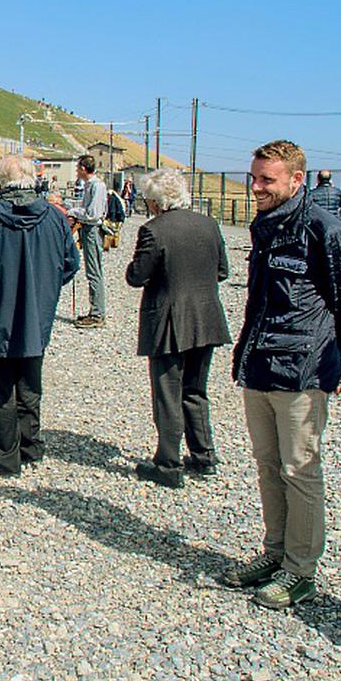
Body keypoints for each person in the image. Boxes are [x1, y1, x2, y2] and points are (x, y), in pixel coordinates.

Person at [222, 140, 341, 609]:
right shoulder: (266, 225)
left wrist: (340, 358)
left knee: (300, 470)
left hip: (302, 368)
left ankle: (300, 571)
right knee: (269, 466)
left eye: (267, 180)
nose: (256, 188)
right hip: (261, 362)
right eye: (254, 178)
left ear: (296, 180)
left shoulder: (324, 229)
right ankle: (275, 554)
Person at [0, 154, 79, 476]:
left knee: (1, 388)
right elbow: (70, 263)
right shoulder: (55, 217)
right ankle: (31, 445)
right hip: (37, 315)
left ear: (0, 181)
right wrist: (46, 288)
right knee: (30, 383)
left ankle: (7, 456)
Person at [124, 168, 231, 488]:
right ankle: (203, 454)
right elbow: (222, 271)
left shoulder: (154, 231)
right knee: (196, 389)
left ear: (156, 202)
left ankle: (168, 463)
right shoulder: (208, 225)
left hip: (169, 319)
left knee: (168, 393)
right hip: (207, 317)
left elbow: (136, 276)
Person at [66, 155, 108, 328]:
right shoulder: (90, 186)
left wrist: (74, 212)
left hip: (92, 230)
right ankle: (95, 310)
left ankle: (98, 314)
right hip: (87, 230)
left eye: (78, 168)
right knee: (92, 270)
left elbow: (93, 214)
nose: (76, 171)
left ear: (83, 168)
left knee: (94, 271)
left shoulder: (97, 186)